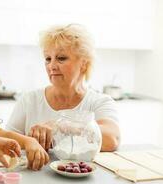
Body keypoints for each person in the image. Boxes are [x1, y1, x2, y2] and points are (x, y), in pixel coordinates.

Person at [6, 24, 120, 152]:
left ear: (83, 64)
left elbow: (112, 140)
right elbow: (7, 142)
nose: (52, 66)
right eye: (48, 59)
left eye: (61, 58)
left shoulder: (100, 102)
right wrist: (29, 142)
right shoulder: (29, 100)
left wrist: (61, 127)